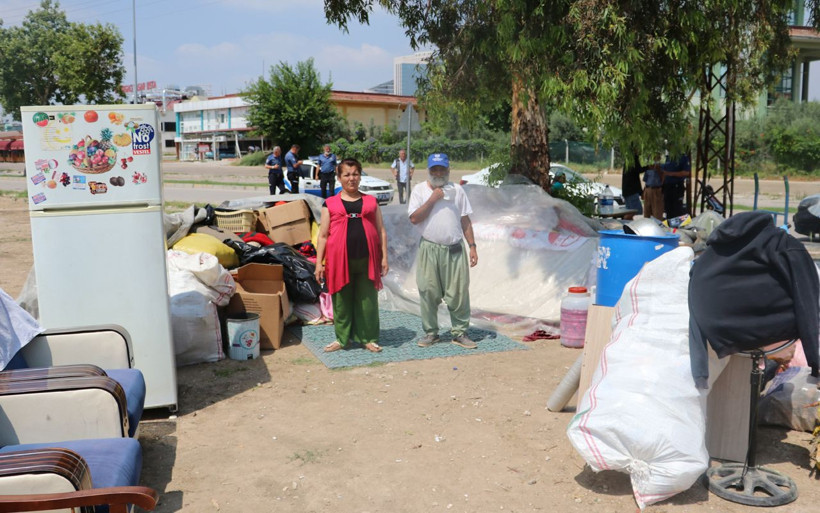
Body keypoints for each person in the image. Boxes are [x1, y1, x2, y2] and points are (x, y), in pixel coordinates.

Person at [314, 158, 389, 353]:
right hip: (339, 261)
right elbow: (322, 236)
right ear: (339, 178)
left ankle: (369, 338)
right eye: (346, 174)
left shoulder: (371, 201)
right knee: (342, 301)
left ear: (360, 176)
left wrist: (384, 257)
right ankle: (342, 338)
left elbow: (381, 230)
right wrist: (318, 264)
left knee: (368, 301)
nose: (351, 178)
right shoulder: (329, 203)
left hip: (367, 259)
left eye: (355, 174)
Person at [408, 153, 478, 350]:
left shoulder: (458, 191)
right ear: (428, 171)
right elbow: (414, 218)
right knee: (428, 290)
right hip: (429, 249)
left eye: (442, 169)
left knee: (458, 293)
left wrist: (472, 246)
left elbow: (465, 220)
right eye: (434, 169)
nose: (438, 173)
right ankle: (431, 333)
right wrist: (432, 200)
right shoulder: (419, 190)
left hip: (455, 249)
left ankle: (459, 333)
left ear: (448, 170)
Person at [662, 153, 691, 219]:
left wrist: (670, 174)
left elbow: (686, 172)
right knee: (668, 208)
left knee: (677, 208)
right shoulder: (668, 157)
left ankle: (677, 226)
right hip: (667, 186)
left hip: (677, 186)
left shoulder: (682, 157)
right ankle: (669, 224)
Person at [621, 152, 644, 220]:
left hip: (628, 191)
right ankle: (624, 222)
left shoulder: (629, 158)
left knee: (632, 211)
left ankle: (626, 223)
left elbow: (634, 175)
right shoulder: (633, 159)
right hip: (631, 191)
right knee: (636, 211)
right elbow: (638, 170)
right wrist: (649, 167)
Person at [642, 153, 664, 221]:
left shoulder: (661, 167)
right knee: (647, 211)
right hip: (648, 189)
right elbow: (645, 180)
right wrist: (644, 191)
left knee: (657, 212)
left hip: (656, 190)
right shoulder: (649, 168)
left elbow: (663, 178)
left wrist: (658, 170)